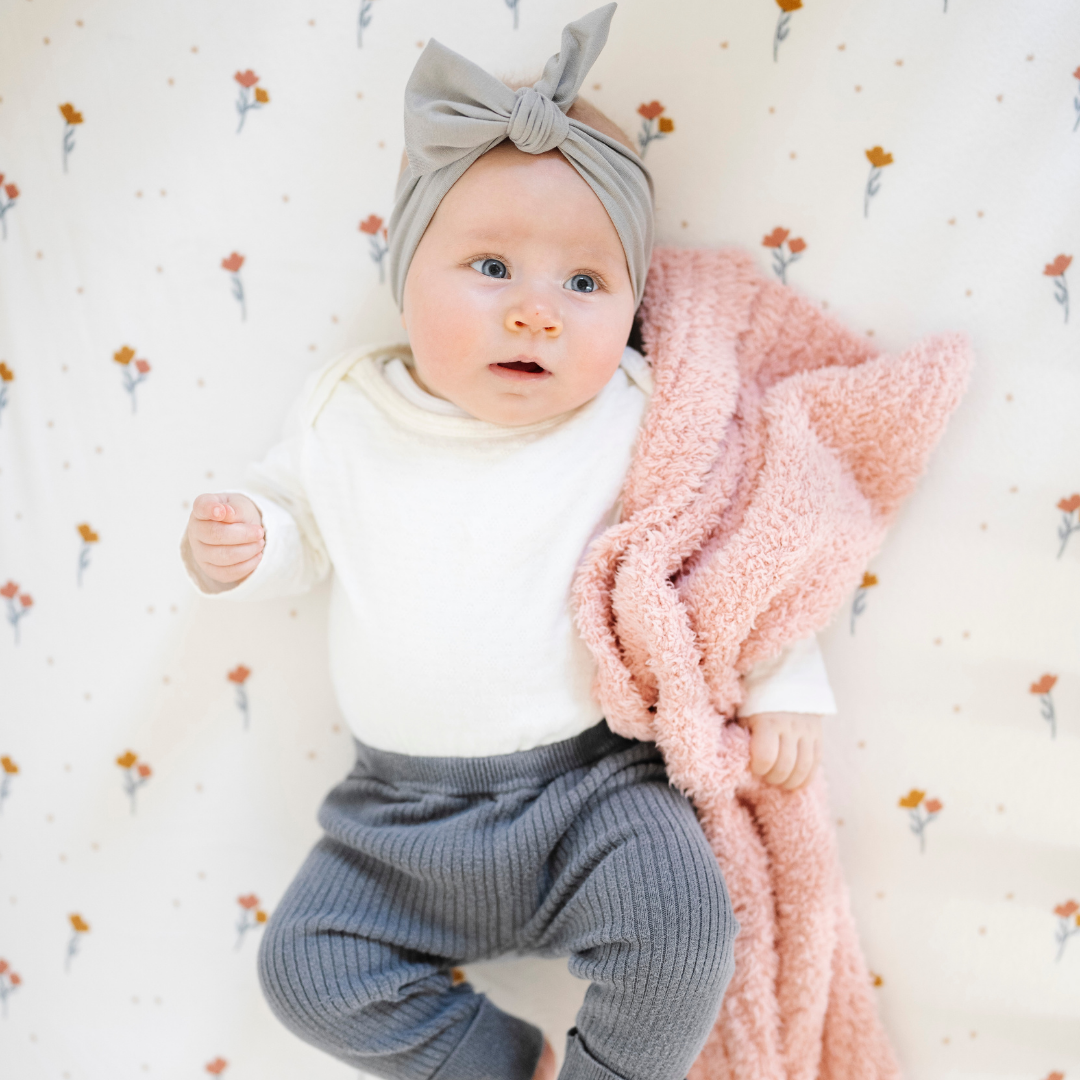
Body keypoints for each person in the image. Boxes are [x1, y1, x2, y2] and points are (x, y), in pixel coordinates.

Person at [179, 6, 838, 1078]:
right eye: (491, 267)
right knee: (305, 968)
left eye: (583, 284)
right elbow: (298, 522)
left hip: (597, 793)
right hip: (397, 820)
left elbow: (731, 554)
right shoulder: (347, 410)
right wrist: (250, 540)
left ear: (628, 307)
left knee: (688, 932)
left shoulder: (637, 416)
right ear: (404, 270)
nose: (536, 314)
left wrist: (786, 678)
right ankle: (497, 1065)